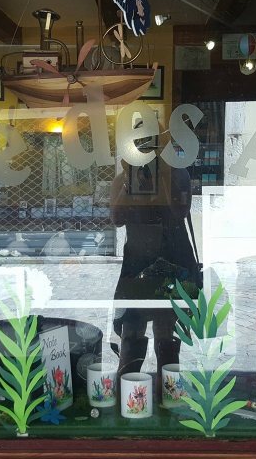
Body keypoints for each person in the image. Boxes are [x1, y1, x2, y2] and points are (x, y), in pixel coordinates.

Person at [110, 158, 198, 380]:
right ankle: (127, 390)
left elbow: (179, 212)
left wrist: (164, 175)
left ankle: (166, 392)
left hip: (171, 260)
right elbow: (117, 218)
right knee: (131, 329)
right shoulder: (124, 178)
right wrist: (129, 181)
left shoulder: (177, 174)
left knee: (165, 331)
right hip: (137, 262)